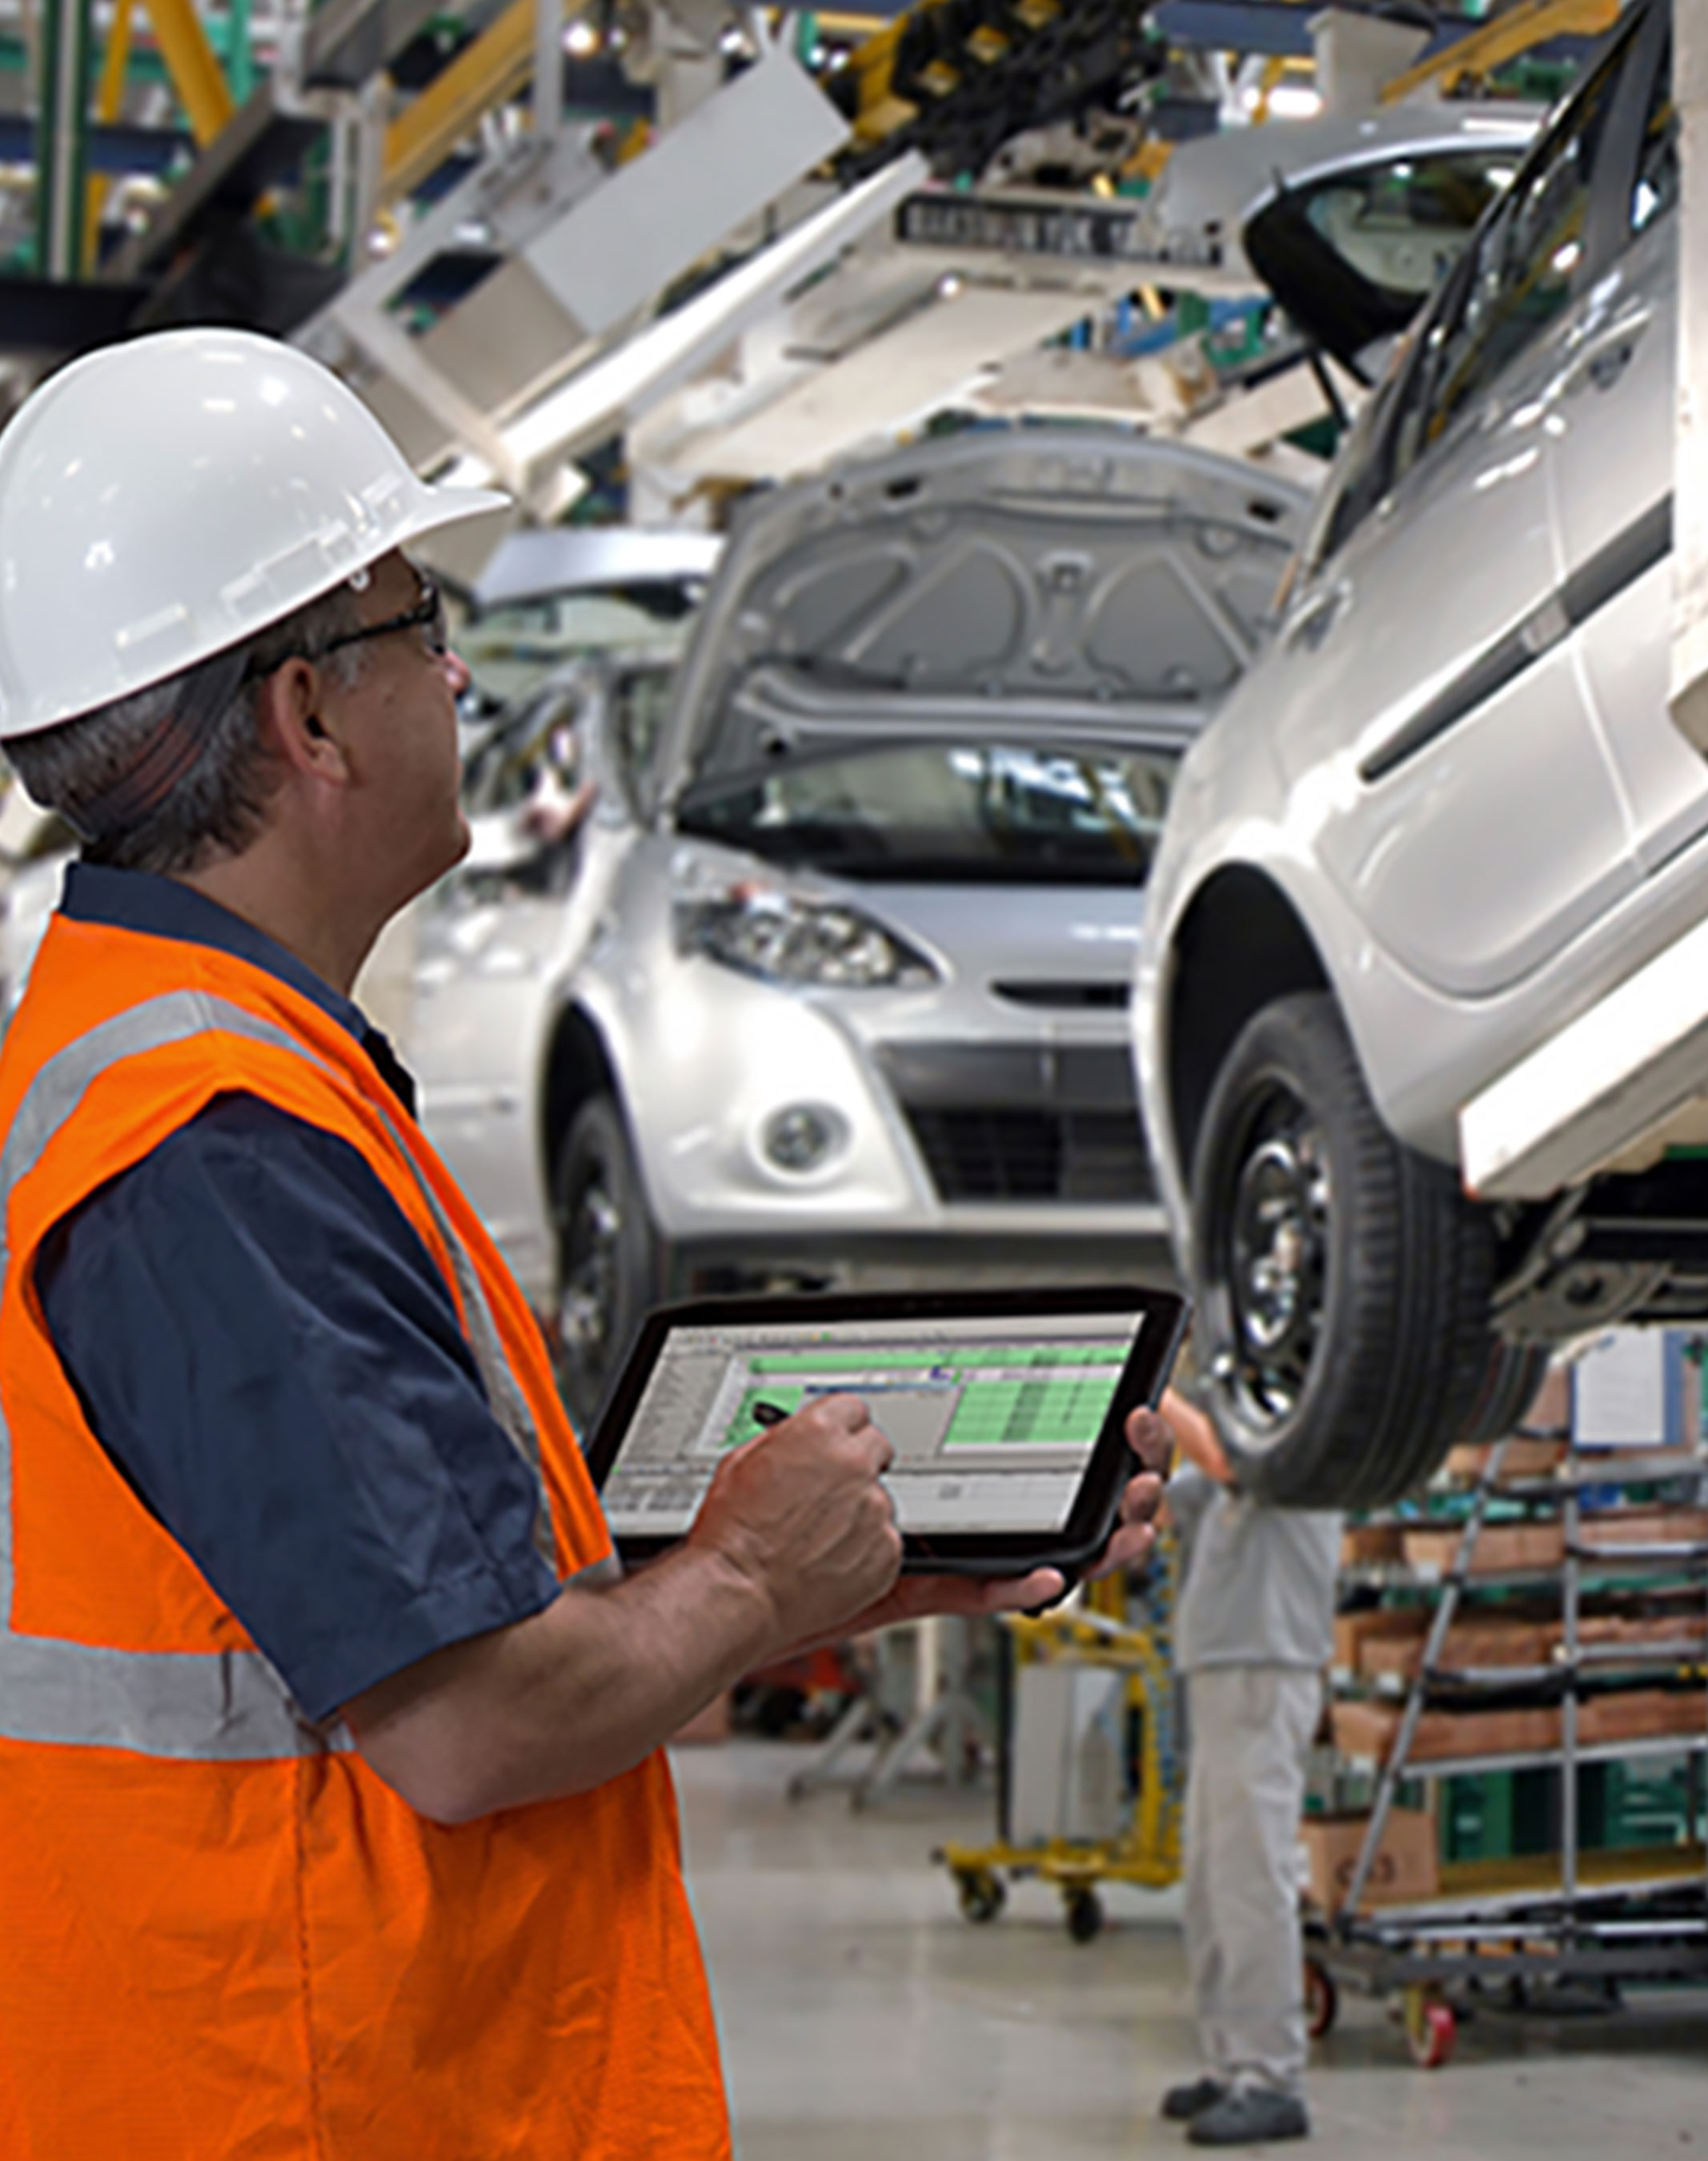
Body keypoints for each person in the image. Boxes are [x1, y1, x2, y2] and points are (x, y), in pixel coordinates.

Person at [0, 326, 1168, 2159]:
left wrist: (870, 1560)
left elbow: (449, 1618)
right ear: (308, 715)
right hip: (318, 2095)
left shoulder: (214, 1069)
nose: (458, 672)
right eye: (417, 618)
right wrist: (749, 1582)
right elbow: (466, 1721)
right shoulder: (212, 1139)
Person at [1159, 1391, 1343, 2147]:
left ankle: (1272, 2077)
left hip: (1263, 1668)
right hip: (1220, 1668)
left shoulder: (1302, 1436)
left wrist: (1156, 1380)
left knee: (1251, 1879)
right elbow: (1183, 1497)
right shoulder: (1253, 1437)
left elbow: (1224, 1461)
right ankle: (1230, 2061)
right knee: (1209, 1883)